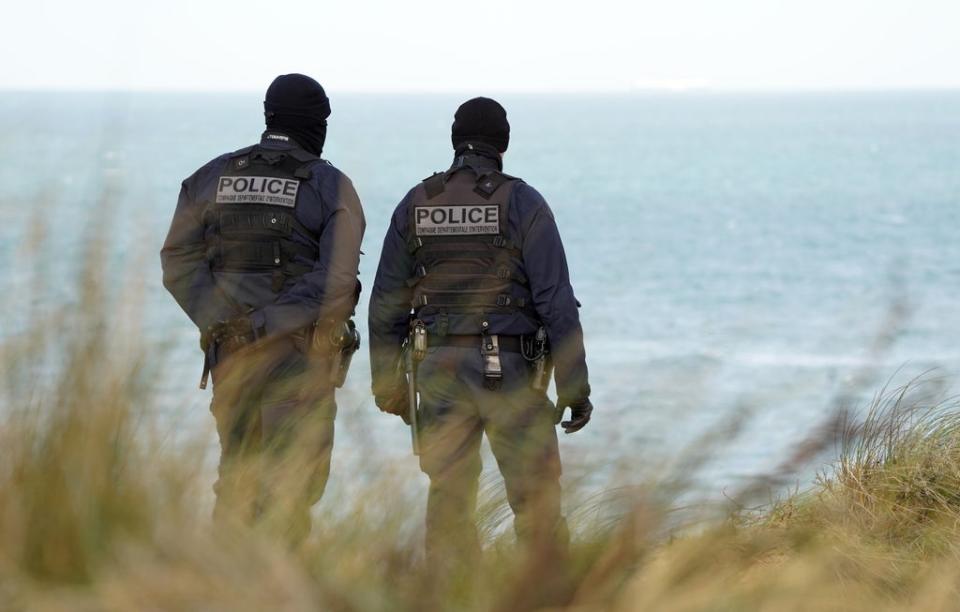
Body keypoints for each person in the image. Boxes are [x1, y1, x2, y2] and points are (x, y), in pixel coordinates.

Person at [368, 97, 593, 569]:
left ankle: (453, 596)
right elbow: (555, 301)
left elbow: (386, 303)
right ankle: (545, 597)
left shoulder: (417, 202)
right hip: (510, 371)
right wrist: (574, 386)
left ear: (455, 143)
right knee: (535, 500)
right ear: (503, 145)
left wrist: (387, 385)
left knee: (449, 498)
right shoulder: (523, 201)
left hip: (438, 372)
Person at [160, 73, 365, 543]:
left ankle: (225, 586)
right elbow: (337, 283)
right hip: (296, 363)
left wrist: (224, 323)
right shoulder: (330, 186)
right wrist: (267, 326)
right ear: (318, 123)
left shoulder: (210, 176)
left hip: (229, 360)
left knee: (236, 480)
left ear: (270, 116)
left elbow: (177, 262)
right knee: (292, 488)